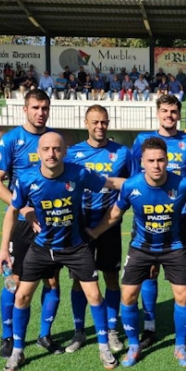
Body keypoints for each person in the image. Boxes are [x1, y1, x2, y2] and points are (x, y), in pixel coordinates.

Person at [0, 132, 126, 371]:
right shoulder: (26, 179)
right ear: (39, 153)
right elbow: (12, 212)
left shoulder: (78, 173)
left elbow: (108, 183)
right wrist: (3, 248)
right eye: (46, 149)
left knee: (95, 296)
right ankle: (17, 351)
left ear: (64, 151)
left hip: (75, 247)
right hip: (42, 247)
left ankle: (103, 346)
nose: (51, 153)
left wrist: (142, 182)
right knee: (22, 296)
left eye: (56, 149)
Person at [87, 137, 186, 367]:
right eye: (151, 161)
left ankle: (180, 346)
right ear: (142, 162)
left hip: (173, 247)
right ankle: (134, 345)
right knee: (128, 296)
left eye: (160, 160)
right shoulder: (131, 186)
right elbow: (115, 214)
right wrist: (93, 233)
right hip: (140, 248)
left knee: (183, 295)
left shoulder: (183, 184)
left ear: (167, 160)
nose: (156, 165)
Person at [0, 89, 63, 359]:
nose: (40, 112)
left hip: (51, 225)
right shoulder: (11, 140)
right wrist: (24, 207)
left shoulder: (53, 140)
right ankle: (7, 335)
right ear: (25, 109)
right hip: (21, 224)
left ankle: (45, 335)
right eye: (35, 107)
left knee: (52, 281)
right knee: (14, 281)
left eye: (44, 107)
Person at [64, 105, 137, 354]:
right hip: (80, 224)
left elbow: (133, 185)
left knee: (110, 277)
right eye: (95, 122)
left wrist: (120, 210)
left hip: (109, 224)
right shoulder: (72, 154)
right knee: (79, 281)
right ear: (86, 123)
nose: (100, 126)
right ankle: (79, 331)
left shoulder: (123, 153)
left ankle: (112, 330)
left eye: (104, 122)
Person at [130, 94, 186, 350]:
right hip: (148, 217)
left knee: (182, 275)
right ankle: (149, 326)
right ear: (157, 113)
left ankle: (185, 330)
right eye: (165, 111)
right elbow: (133, 173)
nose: (169, 115)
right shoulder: (142, 141)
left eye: (173, 111)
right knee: (149, 272)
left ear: (178, 114)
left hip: (180, 218)